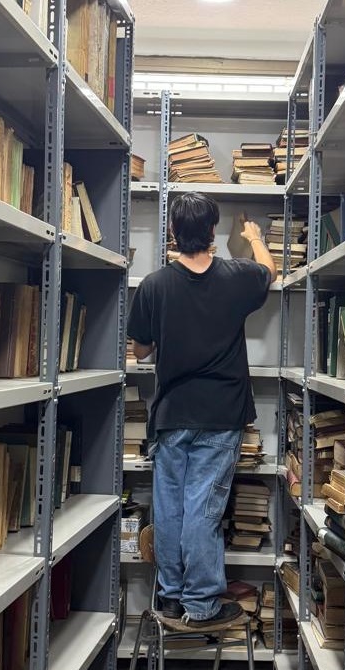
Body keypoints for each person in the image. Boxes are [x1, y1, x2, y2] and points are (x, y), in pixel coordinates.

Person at [126, 192, 277, 628]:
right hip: (221, 413)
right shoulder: (236, 276)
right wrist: (254, 236)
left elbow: (141, 350)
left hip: (171, 414)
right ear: (212, 232)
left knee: (170, 508)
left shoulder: (154, 285)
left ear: (173, 232)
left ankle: (172, 597)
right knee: (203, 509)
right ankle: (202, 604)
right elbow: (270, 271)